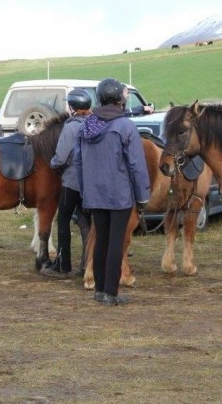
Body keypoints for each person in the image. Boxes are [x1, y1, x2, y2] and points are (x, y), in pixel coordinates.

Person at [75, 78, 150, 306]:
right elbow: (136, 164)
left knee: (101, 241)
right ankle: (111, 292)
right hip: (119, 195)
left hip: (94, 195)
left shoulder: (85, 126)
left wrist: (85, 191)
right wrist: (143, 195)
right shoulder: (125, 126)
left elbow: (79, 163)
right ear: (119, 99)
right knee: (115, 243)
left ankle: (100, 290)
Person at [40, 89, 93, 279]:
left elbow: (61, 157)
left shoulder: (70, 128)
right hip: (90, 183)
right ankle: (87, 264)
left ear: (72, 108)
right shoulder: (93, 124)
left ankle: (62, 265)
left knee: (62, 221)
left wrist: (52, 163)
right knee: (86, 222)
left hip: (72, 182)